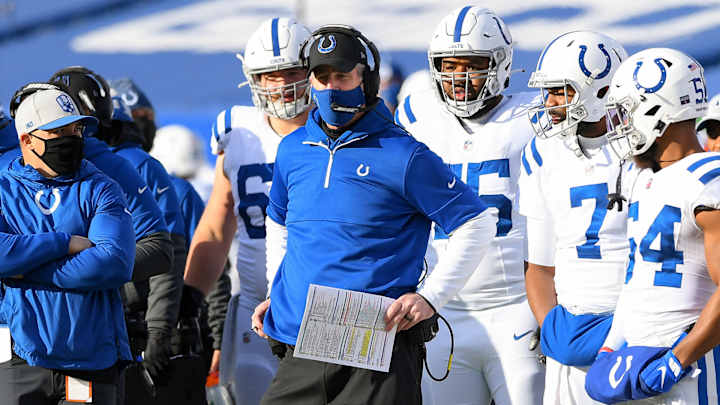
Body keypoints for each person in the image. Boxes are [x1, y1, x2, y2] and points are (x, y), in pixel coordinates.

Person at [253, 24, 497, 405]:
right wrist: (277, 290)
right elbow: (279, 221)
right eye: (321, 77)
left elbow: (477, 222)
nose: (331, 87)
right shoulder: (293, 148)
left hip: (375, 344)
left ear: (366, 79)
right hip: (301, 341)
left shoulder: (403, 154)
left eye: (342, 76)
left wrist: (431, 298)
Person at [394, 7, 543, 404]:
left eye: (473, 65)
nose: (459, 78)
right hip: (442, 309)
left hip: (517, 306)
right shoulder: (416, 115)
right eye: (449, 66)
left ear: (500, 63)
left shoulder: (534, 117)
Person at [182, 17, 312, 404]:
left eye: (291, 72)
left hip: (322, 305)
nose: (281, 84)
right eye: (269, 75)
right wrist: (190, 299)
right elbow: (216, 225)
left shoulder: (339, 128)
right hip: (256, 307)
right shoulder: (237, 130)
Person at [585, 48, 720, 404]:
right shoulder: (643, 179)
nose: (618, 125)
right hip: (640, 360)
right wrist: (610, 348)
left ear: (657, 113)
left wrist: (678, 359)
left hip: (695, 366)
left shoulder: (709, 178)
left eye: (625, 112)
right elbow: (638, 277)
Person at [48, 67, 185, 401]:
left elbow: (166, 251)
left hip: (105, 321)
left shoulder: (126, 166)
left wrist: (158, 329)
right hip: (57, 329)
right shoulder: (25, 168)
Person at [0, 87, 134, 404]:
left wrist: (23, 270)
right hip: (20, 358)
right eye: (58, 132)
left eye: (75, 129)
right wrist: (63, 242)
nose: (71, 138)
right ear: (27, 140)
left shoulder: (102, 188)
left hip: (89, 361)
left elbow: (112, 263)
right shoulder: (4, 191)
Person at [518, 31, 629, 404]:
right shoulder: (542, 152)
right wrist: (553, 330)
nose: (549, 103)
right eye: (547, 92)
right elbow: (539, 267)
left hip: (639, 334)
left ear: (602, 91)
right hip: (572, 329)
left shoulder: (642, 148)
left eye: (561, 91)